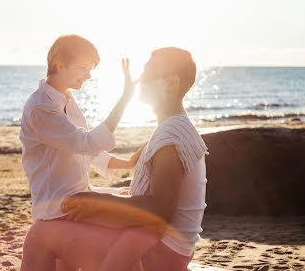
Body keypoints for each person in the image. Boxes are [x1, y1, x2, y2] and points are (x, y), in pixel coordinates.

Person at [22, 47, 208, 271]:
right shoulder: (175, 126)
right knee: (65, 226)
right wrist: (108, 199)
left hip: (159, 253)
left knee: (39, 235)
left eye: (148, 72)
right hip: (163, 245)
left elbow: (160, 210)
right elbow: (80, 146)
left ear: (171, 83)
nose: (139, 79)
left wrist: (99, 204)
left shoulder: (171, 136)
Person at [19, 34, 156, 271]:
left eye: (90, 69)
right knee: (132, 219)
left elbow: (83, 151)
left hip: (76, 193)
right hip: (58, 205)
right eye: (83, 67)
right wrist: (125, 98)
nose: (89, 75)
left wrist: (127, 163)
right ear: (60, 64)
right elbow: (85, 143)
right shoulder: (41, 105)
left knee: (126, 193)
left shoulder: (66, 100)